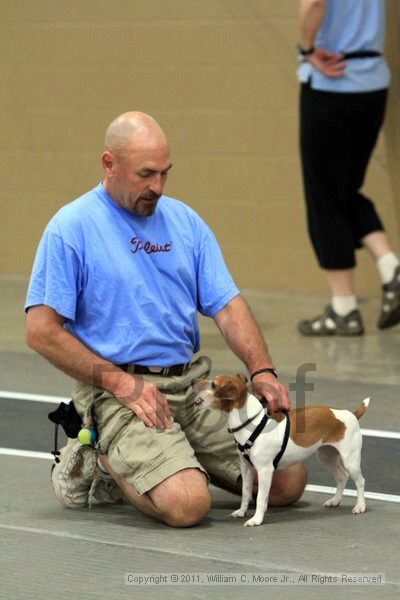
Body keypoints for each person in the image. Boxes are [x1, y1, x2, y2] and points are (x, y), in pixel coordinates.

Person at [25, 111, 306, 527]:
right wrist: (118, 382)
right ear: (109, 164)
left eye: (164, 173)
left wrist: (261, 369)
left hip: (190, 385)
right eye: (145, 175)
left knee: (286, 480)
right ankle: (100, 457)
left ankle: (176, 453)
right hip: (119, 389)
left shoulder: (185, 222)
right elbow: (41, 331)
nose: (157, 186)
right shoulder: (71, 228)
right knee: (188, 505)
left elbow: (227, 305)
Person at [297, 0, 400, 336]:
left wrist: (307, 47)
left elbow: (315, 3)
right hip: (372, 84)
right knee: (344, 191)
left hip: (333, 81)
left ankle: (344, 308)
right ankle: (390, 267)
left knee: (324, 196)